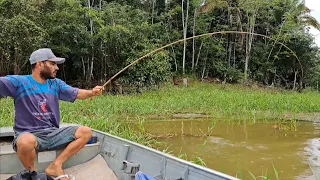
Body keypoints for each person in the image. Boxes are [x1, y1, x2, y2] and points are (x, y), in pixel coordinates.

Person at [0, 48, 104, 180]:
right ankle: (32, 173)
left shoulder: (55, 84)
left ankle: (56, 165)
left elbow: (76, 93)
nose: (57, 68)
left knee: (85, 132)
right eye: (53, 64)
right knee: (26, 141)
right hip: (29, 134)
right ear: (39, 64)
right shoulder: (19, 82)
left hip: (53, 133)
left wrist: (91, 92)